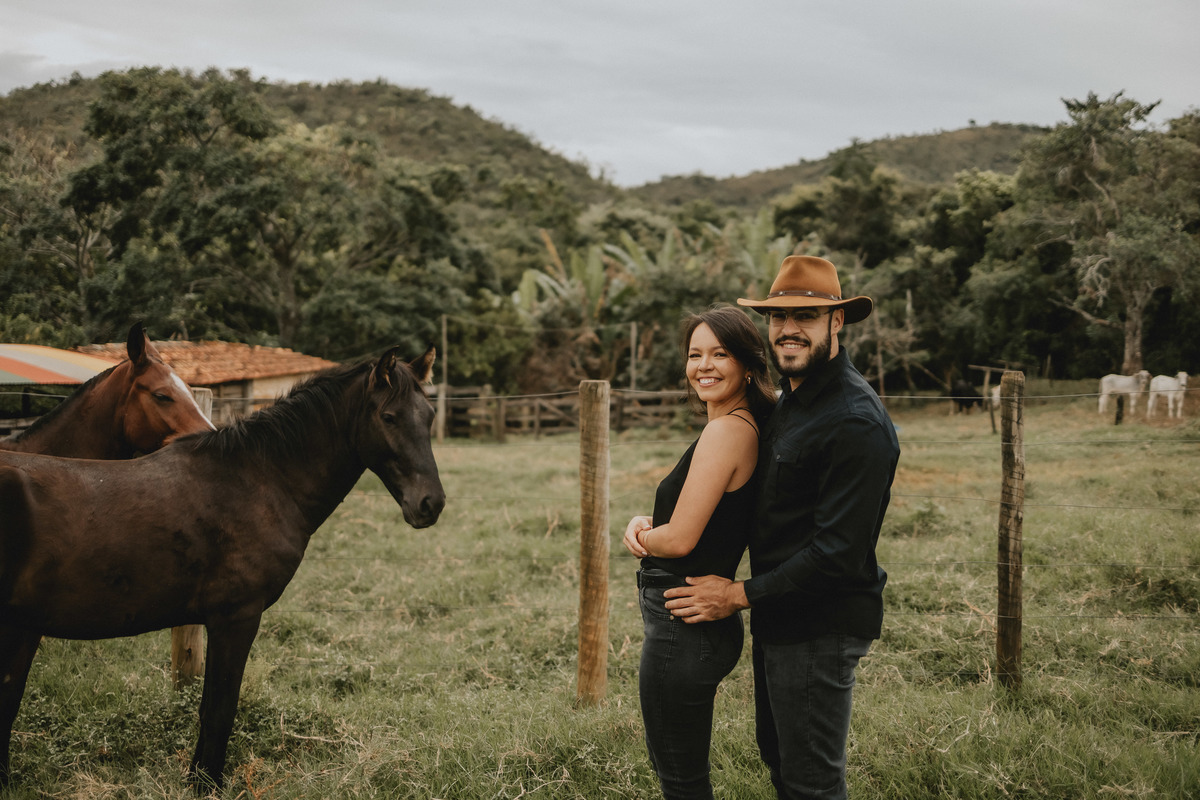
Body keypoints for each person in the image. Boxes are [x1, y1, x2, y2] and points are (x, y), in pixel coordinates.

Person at [663, 255, 900, 800]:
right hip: (780, 617)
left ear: (837, 322)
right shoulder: (791, 400)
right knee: (780, 761)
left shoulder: (854, 421)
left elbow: (837, 553)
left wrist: (735, 595)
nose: (788, 328)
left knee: (810, 783)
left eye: (805, 316)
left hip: (819, 624)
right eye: (778, 316)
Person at [622, 304, 776, 800]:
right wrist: (652, 525)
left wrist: (640, 537)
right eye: (695, 354)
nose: (703, 365)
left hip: (683, 626)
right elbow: (699, 520)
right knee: (678, 770)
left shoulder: (726, 431)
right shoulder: (741, 425)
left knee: (681, 781)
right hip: (693, 625)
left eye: (720, 354)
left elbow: (681, 540)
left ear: (747, 365)